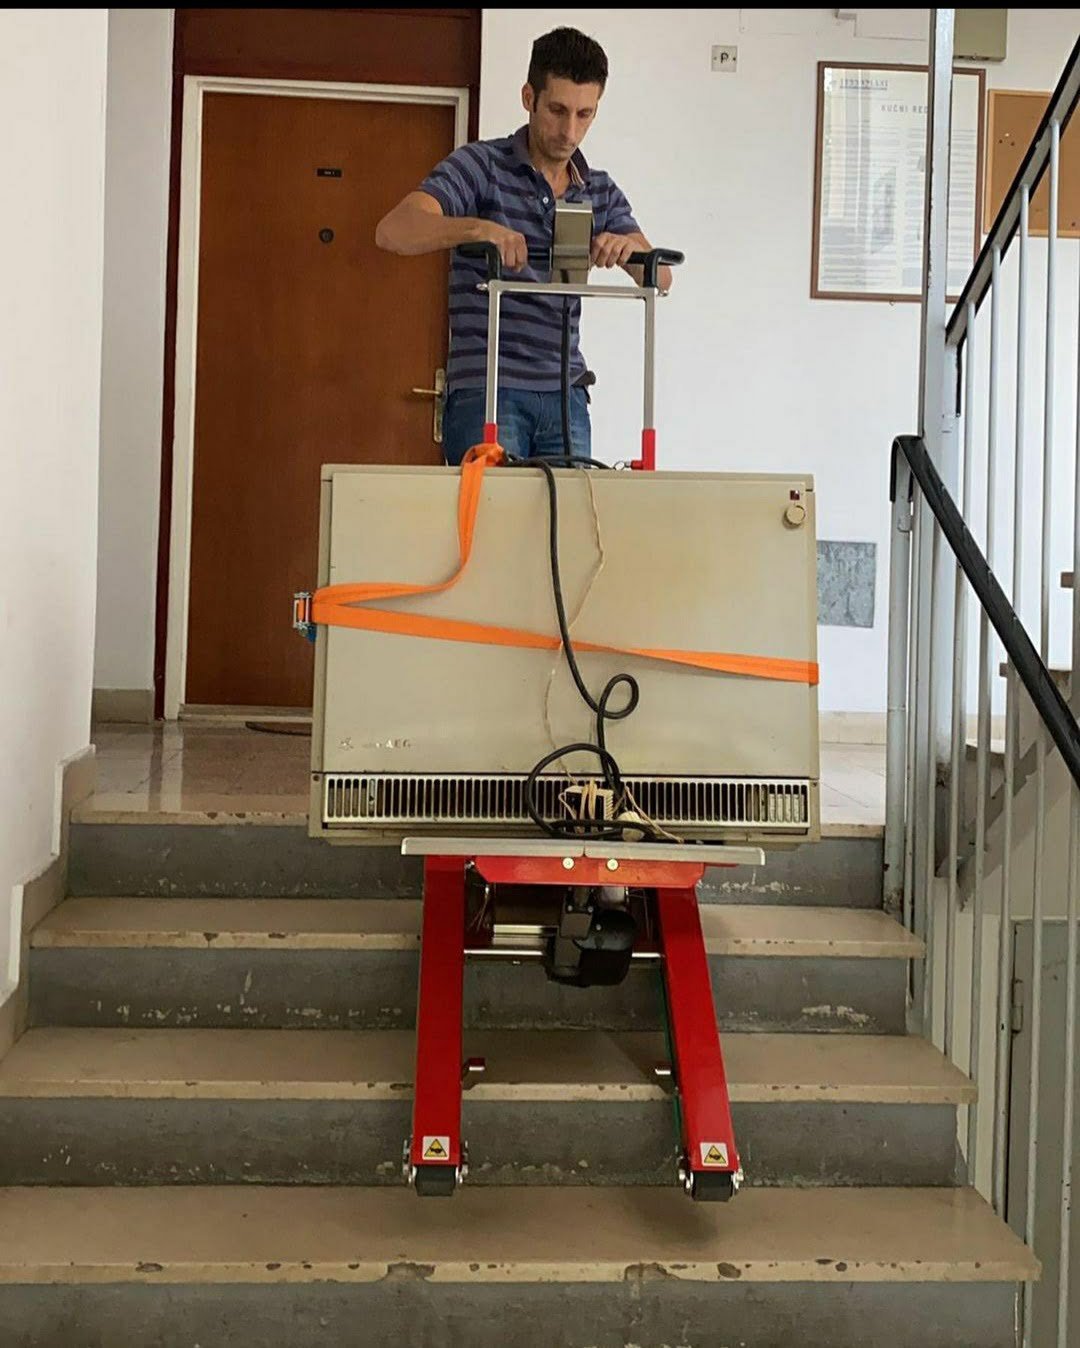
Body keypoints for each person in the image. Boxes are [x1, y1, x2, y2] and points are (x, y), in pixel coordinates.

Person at [374, 26, 671, 464]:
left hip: (567, 395)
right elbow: (394, 231)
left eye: (585, 114)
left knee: (566, 529)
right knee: (493, 527)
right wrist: (477, 229)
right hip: (488, 390)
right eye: (557, 110)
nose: (570, 131)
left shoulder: (599, 189)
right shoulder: (480, 166)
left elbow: (660, 276)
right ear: (528, 97)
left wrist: (625, 248)